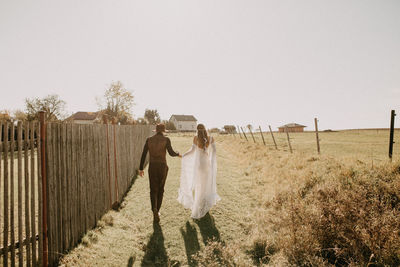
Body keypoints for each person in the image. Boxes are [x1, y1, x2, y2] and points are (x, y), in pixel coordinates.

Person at [139, 123, 181, 223]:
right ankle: (157, 211)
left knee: (153, 189)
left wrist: (141, 169)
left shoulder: (149, 140)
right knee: (161, 189)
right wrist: (178, 154)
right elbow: (171, 153)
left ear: (156, 130)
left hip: (152, 166)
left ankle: (154, 209)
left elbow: (144, 154)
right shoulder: (166, 140)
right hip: (162, 167)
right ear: (163, 131)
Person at [177, 124, 220, 219]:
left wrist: (183, 155)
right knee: (206, 185)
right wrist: (210, 158)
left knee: (199, 186)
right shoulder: (211, 138)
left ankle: (198, 207)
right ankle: (204, 206)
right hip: (207, 164)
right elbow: (215, 151)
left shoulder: (195, 138)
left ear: (197, 130)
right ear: (205, 129)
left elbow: (192, 151)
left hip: (199, 165)